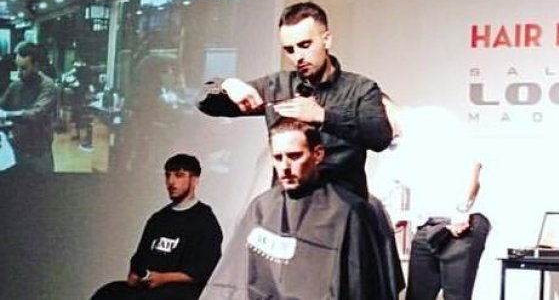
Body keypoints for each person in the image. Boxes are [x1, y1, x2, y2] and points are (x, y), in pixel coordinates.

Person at [196, 1, 391, 198]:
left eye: (305, 45)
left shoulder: (361, 89)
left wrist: (324, 116)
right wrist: (227, 85)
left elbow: (380, 138)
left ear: (327, 40)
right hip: (289, 213)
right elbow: (204, 102)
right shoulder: (277, 86)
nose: (298, 56)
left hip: (344, 213)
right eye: (289, 50)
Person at [200, 119, 402, 300]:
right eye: (278, 158)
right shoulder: (261, 208)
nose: (285, 166)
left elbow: (359, 285)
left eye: (294, 156)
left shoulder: (347, 211)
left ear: (317, 155)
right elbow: (233, 282)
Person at [372, 101, 489, 300]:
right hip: (426, 228)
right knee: (416, 295)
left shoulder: (431, 118)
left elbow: (473, 161)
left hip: (461, 223)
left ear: (384, 108)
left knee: (455, 296)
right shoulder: (391, 149)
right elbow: (376, 192)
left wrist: (462, 209)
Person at [90, 154, 223, 300]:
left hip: (181, 290)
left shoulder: (204, 220)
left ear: (194, 180)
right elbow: (140, 258)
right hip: (150, 286)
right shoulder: (159, 219)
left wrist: (164, 278)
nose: (171, 182)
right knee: (108, 293)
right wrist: (135, 275)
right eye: (168, 175)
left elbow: (204, 270)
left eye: (179, 175)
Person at [0, 41, 57, 173]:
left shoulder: (48, 87)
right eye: (18, 67)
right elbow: (2, 104)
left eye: (24, 68)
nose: (19, 73)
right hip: (18, 148)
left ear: (36, 66)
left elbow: (35, 114)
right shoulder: (16, 85)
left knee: (42, 191)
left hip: (39, 153)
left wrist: (6, 115)